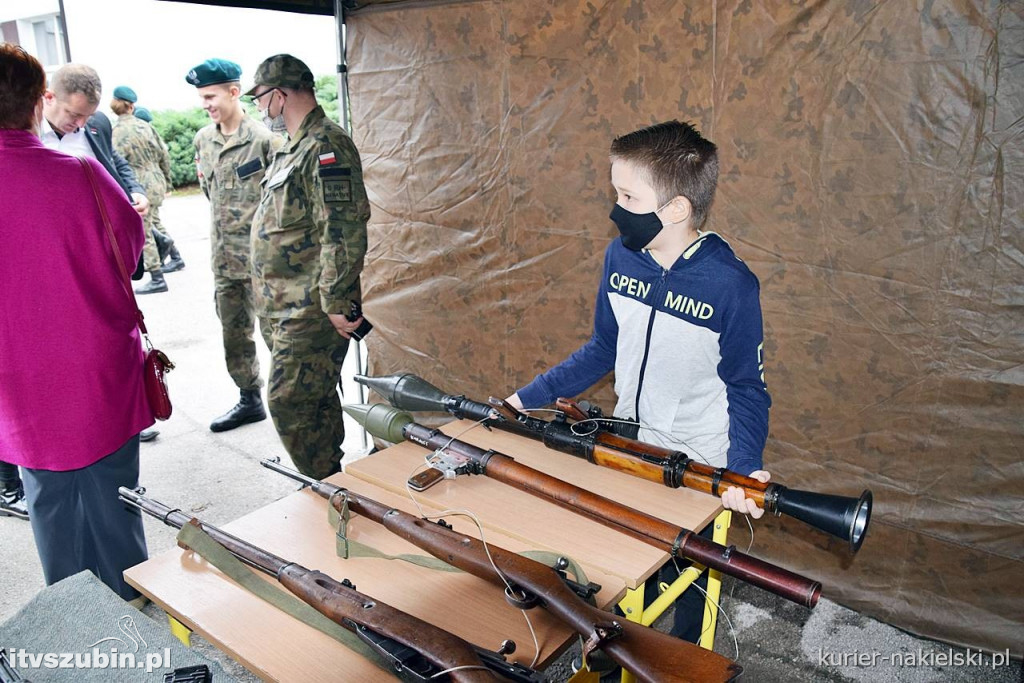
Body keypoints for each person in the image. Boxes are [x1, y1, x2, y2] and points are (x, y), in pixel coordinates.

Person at [508, 120, 772, 644]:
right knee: (627, 584)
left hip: (701, 461)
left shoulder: (731, 285)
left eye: (628, 196)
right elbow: (601, 349)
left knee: (690, 587)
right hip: (632, 448)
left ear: (676, 209)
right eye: (615, 192)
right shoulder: (621, 256)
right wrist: (521, 401)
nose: (615, 208)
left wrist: (742, 471)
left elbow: (747, 388)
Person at [0, 43, 151, 602]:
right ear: (38, 104)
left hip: (18, 377)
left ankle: (75, 614)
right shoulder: (81, 175)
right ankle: (132, 599)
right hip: (96, 364)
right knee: (114, 494)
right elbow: (129, 251)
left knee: (49, 500)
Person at [246, 54, 370, 478]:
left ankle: (323, 483)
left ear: (279, 95)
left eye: (261, 99)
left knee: (288, 400)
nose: (260, 109)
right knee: (313, 398)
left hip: (311, 307)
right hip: (282, 305)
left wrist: (335, 298)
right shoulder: (293, 147)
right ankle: (331, 483)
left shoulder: (325, 146)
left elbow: (343, 226)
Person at [187, 58, 279, 433]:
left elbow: (280, 205)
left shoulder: (265, 140)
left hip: (262, 262)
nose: (205, 104)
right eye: (201, 98)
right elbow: (211, 193)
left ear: (234, 92)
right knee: (234, 334)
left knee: (276, 334)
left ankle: (291, 403)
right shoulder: (202, 140)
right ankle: (250, 399)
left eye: (210, 96)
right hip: (225, 262)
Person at [111, 85, 183, 295]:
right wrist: (167, 182)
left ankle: (157, 277)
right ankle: (176, 256)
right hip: (156, 179)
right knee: (154, 222)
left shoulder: (115, 131)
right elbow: (164, 155)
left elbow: (116, 164)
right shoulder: (145, 126)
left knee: (144, 230)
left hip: (138, 183)